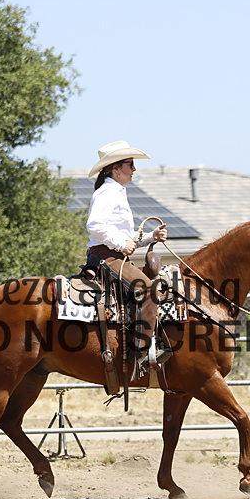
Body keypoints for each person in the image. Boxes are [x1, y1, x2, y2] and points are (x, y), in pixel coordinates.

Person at [85, 141, 170, 369]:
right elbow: (95, 226)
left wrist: (151, 237)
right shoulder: (108, 192)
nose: (134, 169)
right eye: (130, 164)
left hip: (114, 255)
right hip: (107, 257)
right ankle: (142, 354)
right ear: (115, 168)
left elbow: (124, 237)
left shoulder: (116, 191)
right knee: (148, 289)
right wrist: (121, 244)